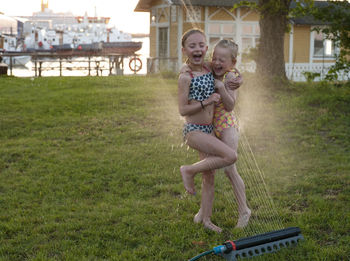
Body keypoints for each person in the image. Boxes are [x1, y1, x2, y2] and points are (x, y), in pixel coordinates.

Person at [180, 39, 251, 232]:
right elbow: (192, 66)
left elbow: (229, 106)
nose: (218, 63)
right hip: (209, 126)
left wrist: (221, 86)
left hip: (226, 125)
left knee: (229, 168)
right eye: (215, 58)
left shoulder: (230, 77)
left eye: (223, 60)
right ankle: (203, 213)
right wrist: (185, 70)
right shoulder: (211, 68)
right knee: (208, 172)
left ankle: (244, 210)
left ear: (233, 63)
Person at [178, 29, 237, 206]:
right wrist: (207, 101)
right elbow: (182, 110)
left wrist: (239, 79)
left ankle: (204, 218)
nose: (197, 49)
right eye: (192, 46)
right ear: (184, 50)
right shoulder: (185, 76)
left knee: (209, 176)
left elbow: (228, 66)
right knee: (230, 156)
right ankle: (188, 170)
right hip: (194, 130)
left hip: (209, 129)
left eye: (201, 45)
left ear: (206, 49)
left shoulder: (208, 67)